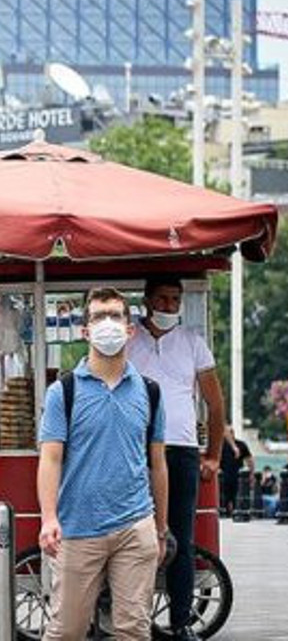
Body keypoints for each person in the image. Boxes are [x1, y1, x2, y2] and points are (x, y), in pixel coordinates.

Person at [38, 287, 168, 641]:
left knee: (134, 631)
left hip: (135, 526)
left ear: (130, 329)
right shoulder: (62, 392)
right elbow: (50, 458)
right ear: (84, 331)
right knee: (67, 631)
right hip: (77, 528)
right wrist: (49, 517)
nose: (107, 324)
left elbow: (158, 464)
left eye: (115, 316)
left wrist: (160, 527)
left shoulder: (150, 392)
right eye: (98, 316)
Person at [125, 275, 225, 641]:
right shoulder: (128, 339)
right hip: (134, 448)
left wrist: (213, 456)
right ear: (147, 300)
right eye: (163, 299)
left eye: (175, 300)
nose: (170, 306)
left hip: (181, 450)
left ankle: (180, 622)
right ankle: (129, 619)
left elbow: (215, 404)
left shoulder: (193, 342)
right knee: (132, 535)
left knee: (178, 537)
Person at [218, 427, 252, 515]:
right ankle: (226, 511)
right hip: (224, 475)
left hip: (237, 475)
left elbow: (249, 459)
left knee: (235, 495)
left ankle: (235, 511)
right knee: (225, 496)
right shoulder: (221, 445)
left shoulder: (241, 445)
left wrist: (251, 473)